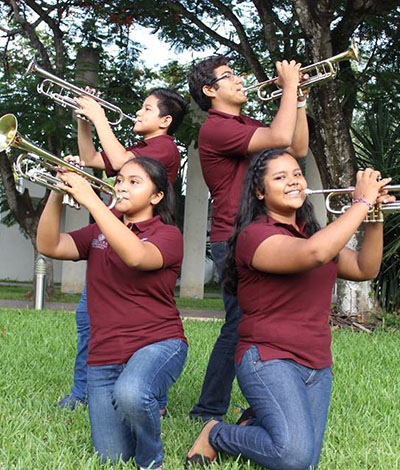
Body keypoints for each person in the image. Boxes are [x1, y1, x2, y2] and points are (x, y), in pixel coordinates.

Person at [185, 149, 394, 469]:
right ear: (259, 191)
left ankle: (253, 426)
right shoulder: (254, 237)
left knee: (306, 461)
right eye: (280, 177)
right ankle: (216, 433)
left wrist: (375, 214)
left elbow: (366, 268)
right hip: (267, 357)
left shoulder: (313, 235)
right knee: (292, 456)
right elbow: (314, 254)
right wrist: (361, 202)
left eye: (297, 174)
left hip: (317, 362)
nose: (294, 181)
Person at [37, 156, 188, 470]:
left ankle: (151, 461)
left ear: (157, 196)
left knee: (132, 392)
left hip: (158, 343)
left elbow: (135, 256)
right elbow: (49, 245)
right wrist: (57, 191)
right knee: (111, 458)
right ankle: (138, 417)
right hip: (104, 355)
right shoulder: (98, 232)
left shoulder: (168, 235)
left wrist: (93, 201)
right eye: (119, 180)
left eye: (135, 182)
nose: (121, 186)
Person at [187, 55, 309, 421]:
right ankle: (207, 409)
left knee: (260, 321)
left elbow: (296, 148)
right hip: (233, 238)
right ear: (210, 91)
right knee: (241, 323)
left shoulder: (242, 124)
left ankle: (249, 403)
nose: (239, 80)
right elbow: (280, 136)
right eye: (228, 76)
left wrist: (298, 98)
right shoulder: (215, 127)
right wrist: (287, 85)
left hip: (257, 234)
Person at [58, 88, 187, 410]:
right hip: (110, 237)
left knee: (142, 324)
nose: (138, 113)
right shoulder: (140, 147)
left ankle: (152, 398)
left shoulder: (165, 148)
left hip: (139, 238)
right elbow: (91, 159)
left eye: (146, 108)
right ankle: (82, 393)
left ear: (165, 120)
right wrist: (84, 121)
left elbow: (118, 162)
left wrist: (99, 114)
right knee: (88, 319)